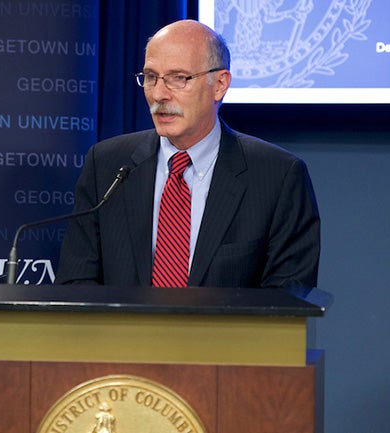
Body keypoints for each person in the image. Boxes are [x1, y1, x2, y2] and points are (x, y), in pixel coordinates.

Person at [55, 19, 320, 289]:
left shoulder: (277, 176)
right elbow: (76, 282)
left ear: (219, 84)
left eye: (178, 78)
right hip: (119, 332)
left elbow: (287, 302)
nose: (159, 94)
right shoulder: (107, 164)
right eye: (150, 77)